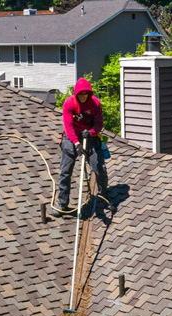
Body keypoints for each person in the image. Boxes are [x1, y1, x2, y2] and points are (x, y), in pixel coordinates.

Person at [52, 77, 108, 217]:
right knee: (65, 172)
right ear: (76, 95)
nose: (83, 97)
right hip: (71, 138)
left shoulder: (95, 104)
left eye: (85, 95)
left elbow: (99, 124)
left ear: (89, 94)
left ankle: (102, 194)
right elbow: (68, 126)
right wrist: (76, 144)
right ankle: (62, 204)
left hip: (90, 137)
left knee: (99, 168)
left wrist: (90, 133)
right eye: (80, 95)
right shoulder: (70, 104)